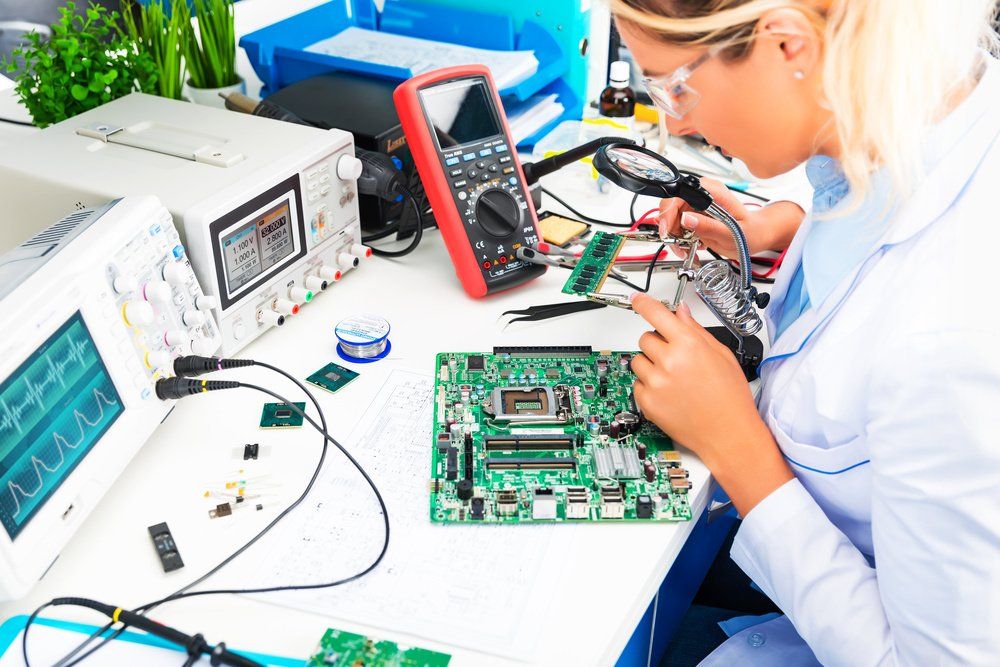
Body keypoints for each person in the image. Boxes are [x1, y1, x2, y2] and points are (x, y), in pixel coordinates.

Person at [608, 0, 1000, 664]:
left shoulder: (947, 339)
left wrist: (736, 445)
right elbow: (888, 208)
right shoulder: (942, 101)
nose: (677, 122)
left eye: (675, 85)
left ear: (788, 45)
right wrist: (784, 230)